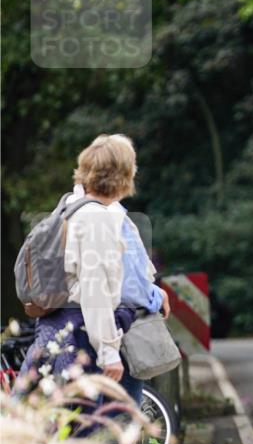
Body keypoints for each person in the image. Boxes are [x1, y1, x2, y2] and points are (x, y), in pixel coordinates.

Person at [21, 134, 169, 409]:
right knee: (103, 430)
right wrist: (108, 351)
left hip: (61, 329)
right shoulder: (98, 219)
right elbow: (96, 289)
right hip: (86, 336)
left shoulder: (69, 208)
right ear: (125, 173)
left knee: (76, 426)